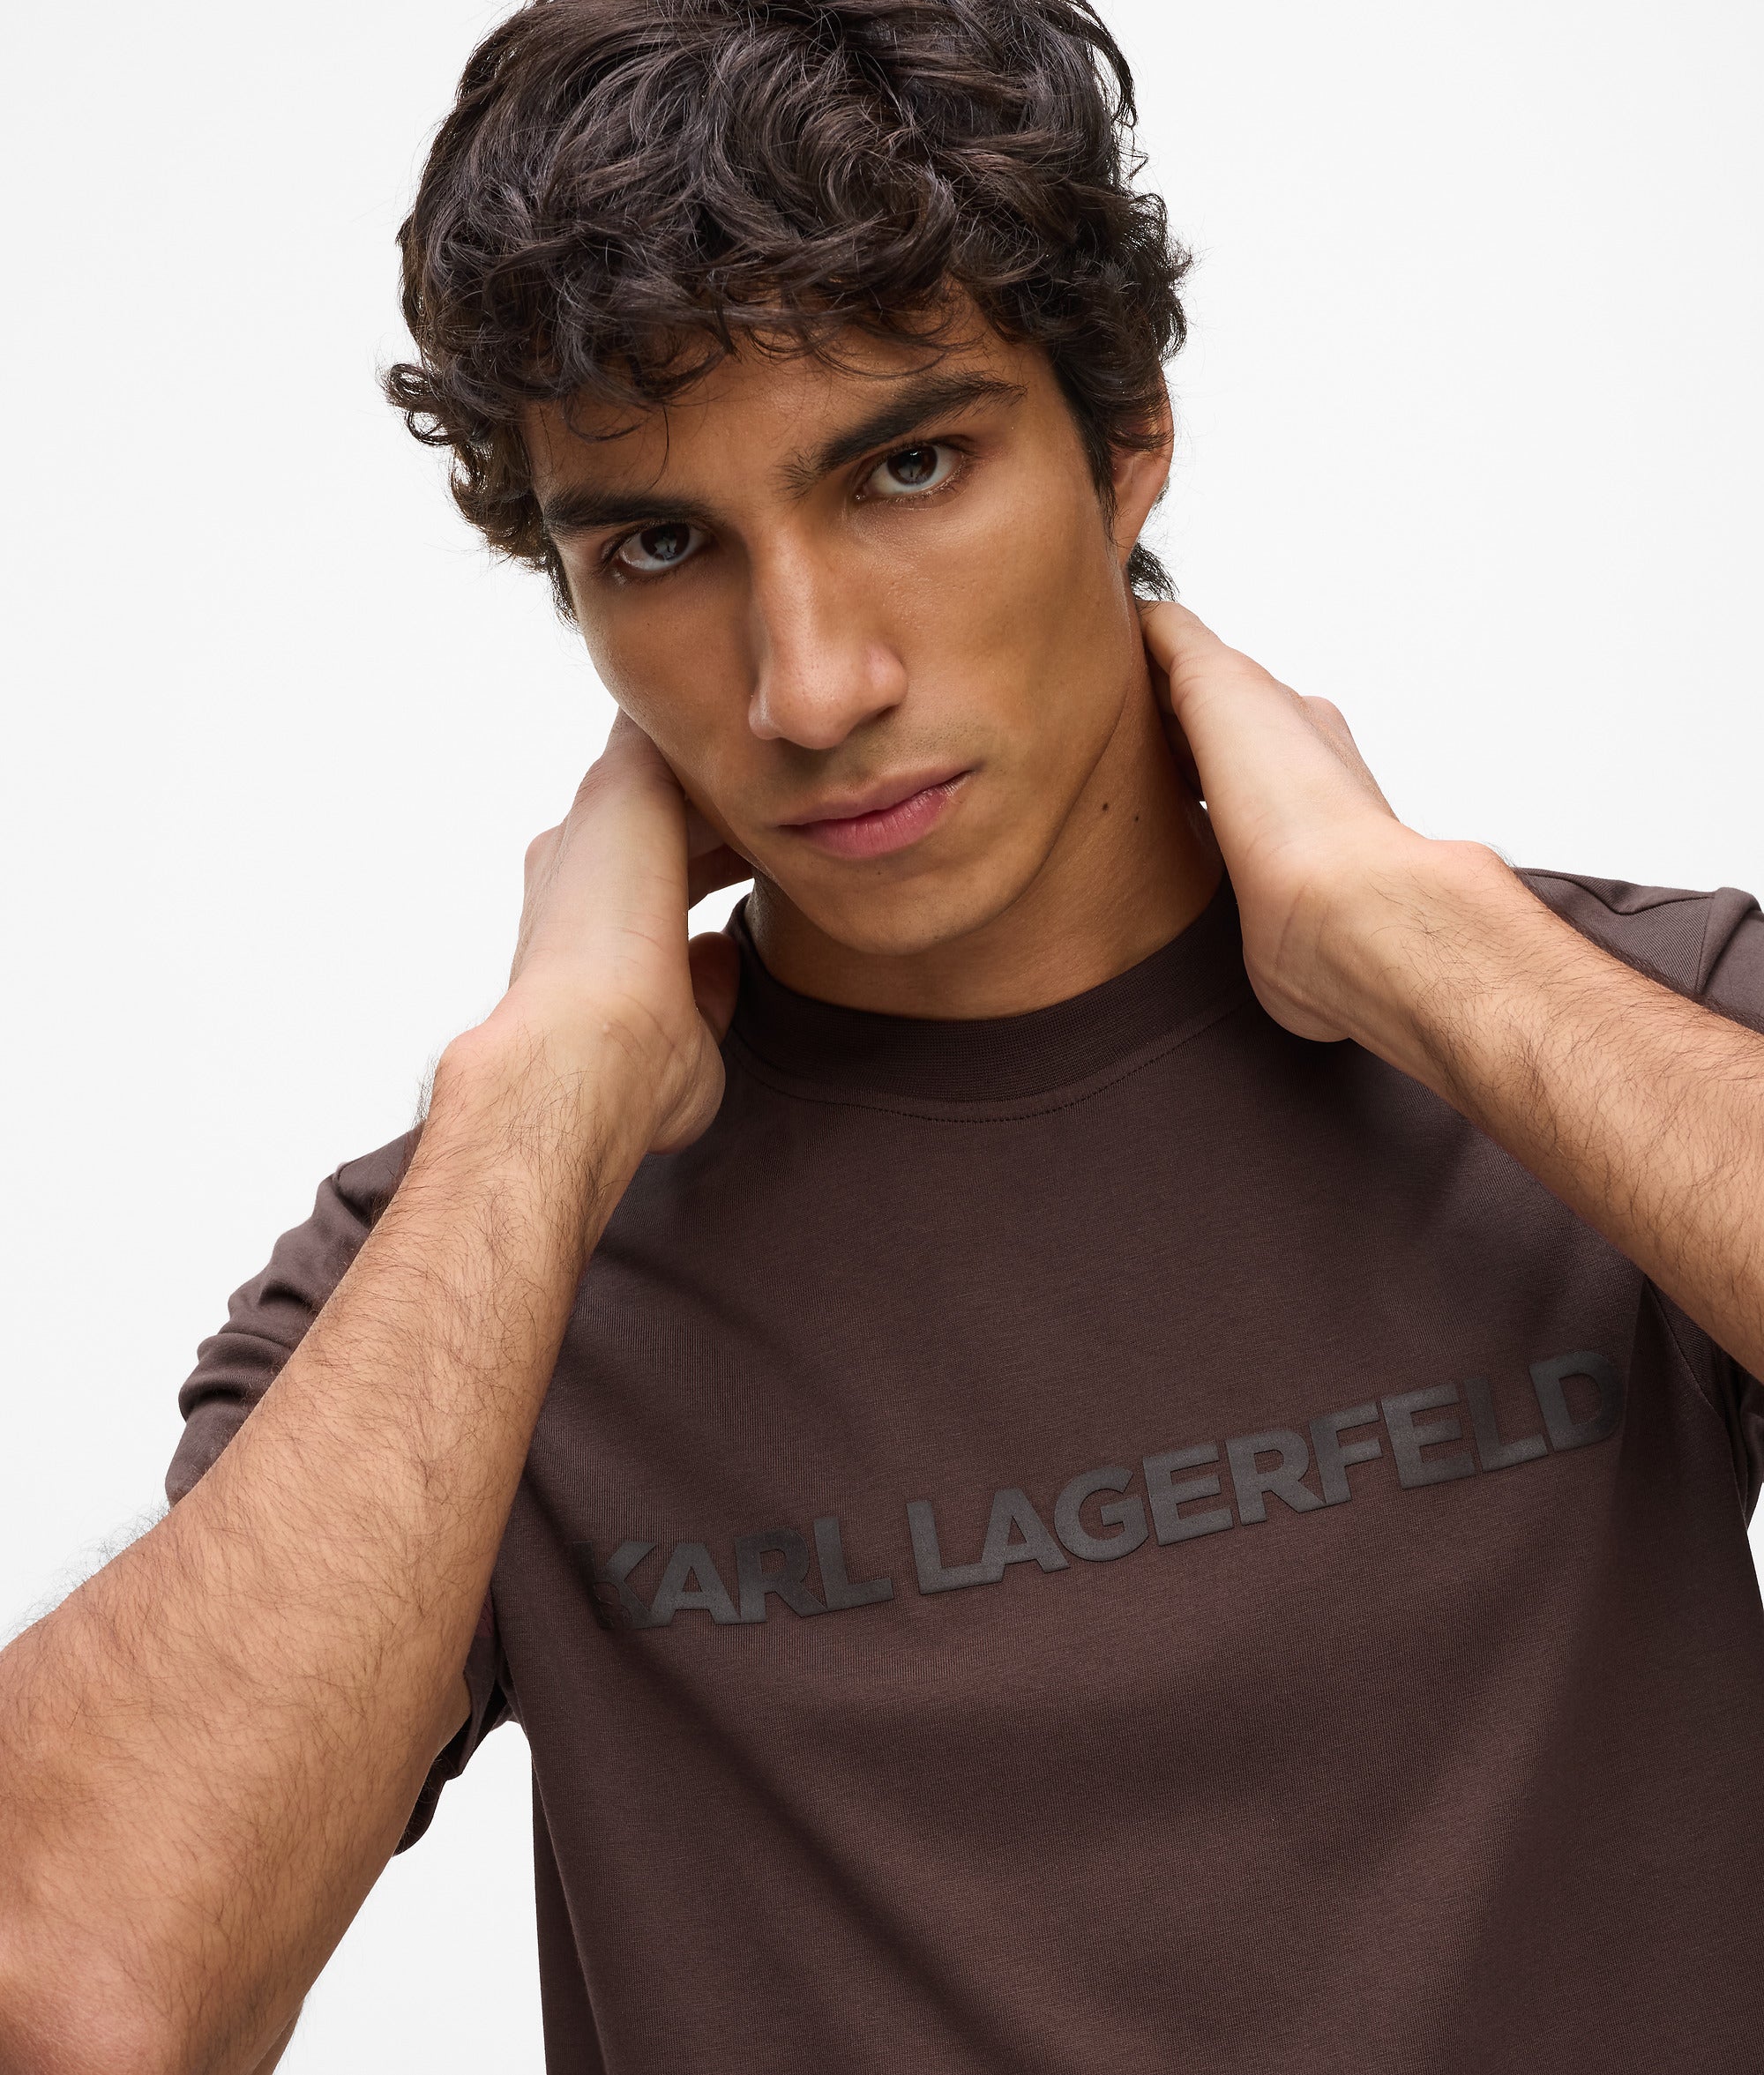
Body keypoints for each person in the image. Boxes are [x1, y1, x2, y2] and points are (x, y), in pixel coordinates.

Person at [4, 0, 1764, 2068]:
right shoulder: (476, 1253)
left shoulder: (1628, 1034)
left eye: (905, 466)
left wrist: (1424, 948)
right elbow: (74, 2003)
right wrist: (537, 1107)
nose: (811, 685)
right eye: (658, 544)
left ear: (1124, 444)